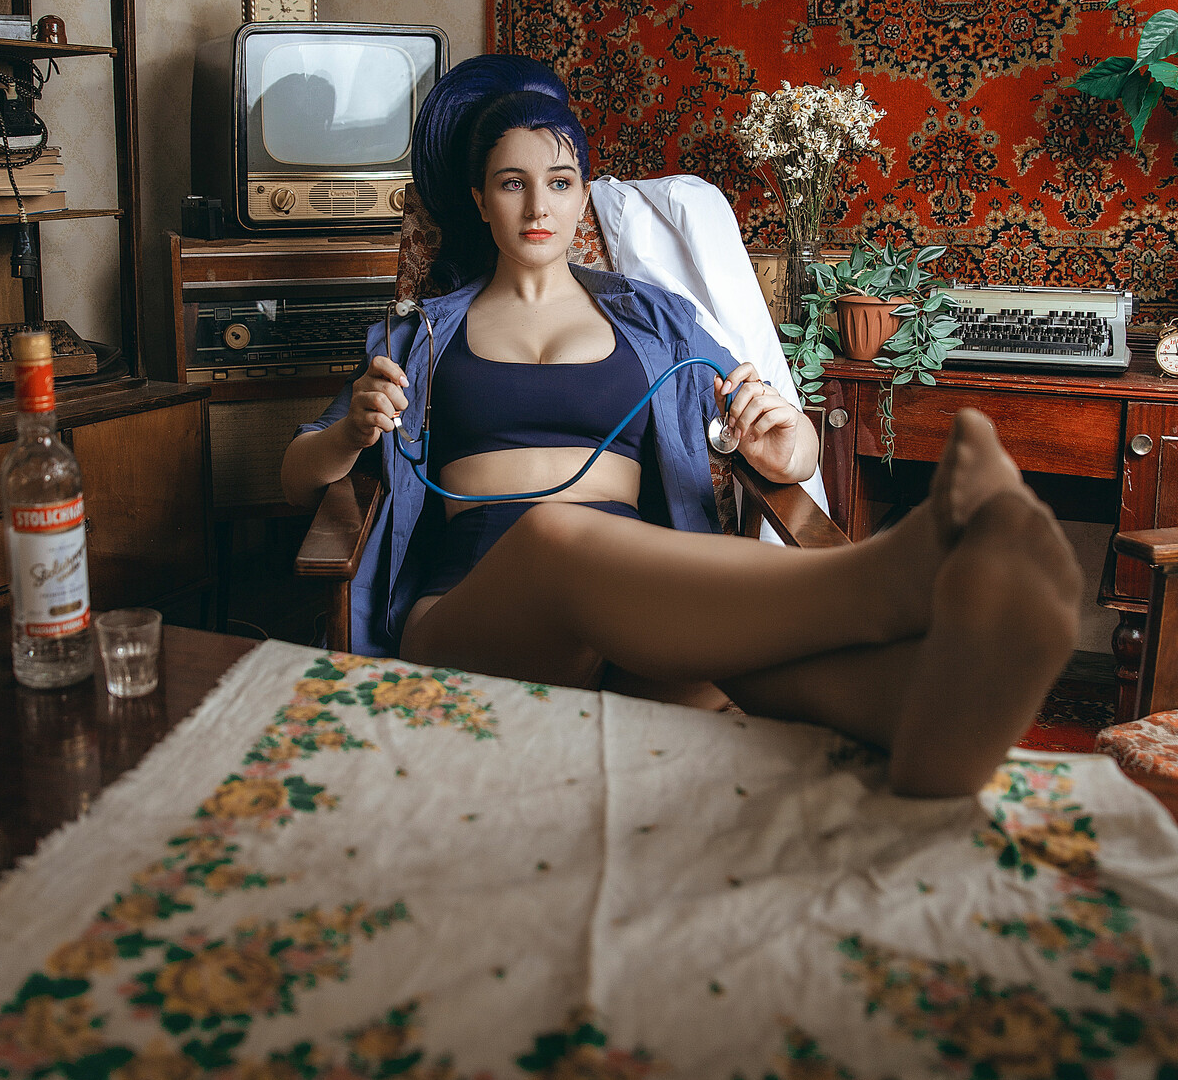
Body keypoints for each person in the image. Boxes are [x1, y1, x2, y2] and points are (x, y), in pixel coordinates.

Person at [283, 57, 1082, 799]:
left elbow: (792, 446)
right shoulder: (421, 334)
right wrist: (350, 432)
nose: (538, 207)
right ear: (478, 199)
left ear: (583, 194)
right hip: (473, 622)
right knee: (555, 536)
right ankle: (893, 579)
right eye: (511, 184)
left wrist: (785, 442)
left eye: (559, 182)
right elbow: (295, 474)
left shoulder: (654, 320)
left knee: (750, 664)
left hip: (635, 625)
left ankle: (916, 725)